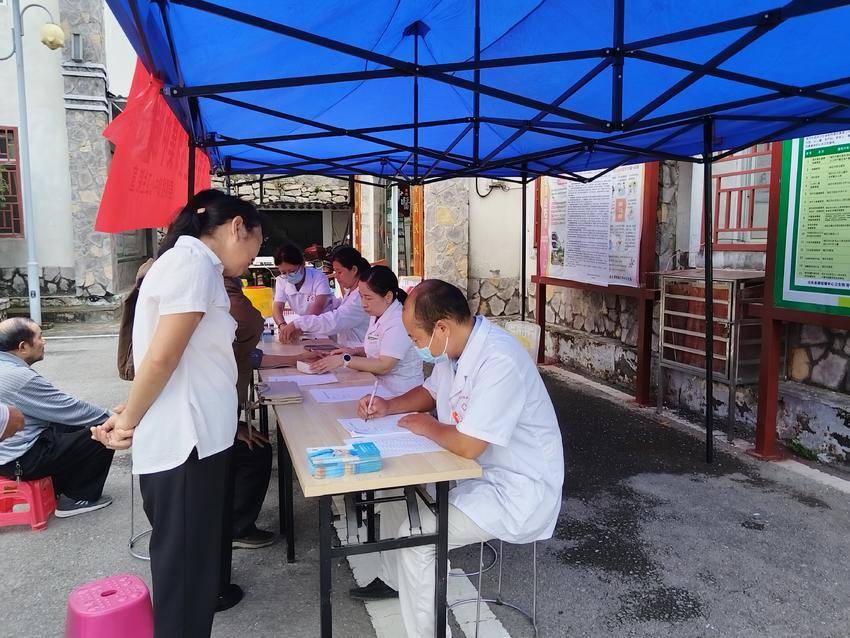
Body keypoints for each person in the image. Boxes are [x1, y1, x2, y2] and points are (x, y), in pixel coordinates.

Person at [91, 190, 266, 638]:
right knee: (186, 577)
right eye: (256, 244)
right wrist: (129, 420)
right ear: (237, 228)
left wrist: (130, 409)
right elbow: (162, 358)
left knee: (193, 569)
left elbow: (179, 360)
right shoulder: (192, 265)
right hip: (187, 444)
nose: (254, 257)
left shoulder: (193, 265)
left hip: (196, 438)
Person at [351, 279, 564, 638]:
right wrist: (388, 406)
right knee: (395, 495)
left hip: (517, 487)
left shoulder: (498, 359)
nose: (415, 346)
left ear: (442, 328)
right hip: (475, 472)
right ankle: (398, 580)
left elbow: (468, 445)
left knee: (418, 536)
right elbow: (430, 391)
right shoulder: (456, 349)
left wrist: (426, 425)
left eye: (416, 338)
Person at [224, 275, 316, 549]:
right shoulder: (219, 292)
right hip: (203, 424)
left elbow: (250, 356)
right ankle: (237, 528)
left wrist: (294, 358)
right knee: (257, 450)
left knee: (258, 443)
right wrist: (231, 427)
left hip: (213, 416)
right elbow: (250, 325)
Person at [0, 318, 114, 517]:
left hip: (8, 455)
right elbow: (71, 408)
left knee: (71, 426)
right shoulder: (19, 377)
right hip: (21, 460)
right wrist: (117, 418)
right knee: (102, 430)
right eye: (40, 337)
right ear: (23, 347)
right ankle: (78, 497)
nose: (44, 342)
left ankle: (59, 486)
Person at [309, 265, 423, 396]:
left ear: (388, 296)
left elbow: (384, 365)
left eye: (368, 298)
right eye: (361, 296)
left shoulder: (398, 321)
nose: (363, 303)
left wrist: (344, 359)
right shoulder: (377, 312)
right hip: (378, 385)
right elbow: (380, 346)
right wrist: (354, 351)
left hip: (400, 393)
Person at [278, 245, 370, 348]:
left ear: (354, 270)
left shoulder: (360, 297)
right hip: (349, 348)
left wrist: (299, 324)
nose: (336, 276)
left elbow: (334, 321)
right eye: (335, 272)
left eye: (339, 272)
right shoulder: (352, 293)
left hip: (359, 351)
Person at [272, 243, 333, 333]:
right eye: (283, 273)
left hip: (323, 324)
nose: (288, 275)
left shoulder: (318, 277)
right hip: (303, 325)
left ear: (302, 264)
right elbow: (277, 306)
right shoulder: (281, 280)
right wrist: (282, 326)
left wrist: (300, 326)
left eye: (292, 271)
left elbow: (318, 306)